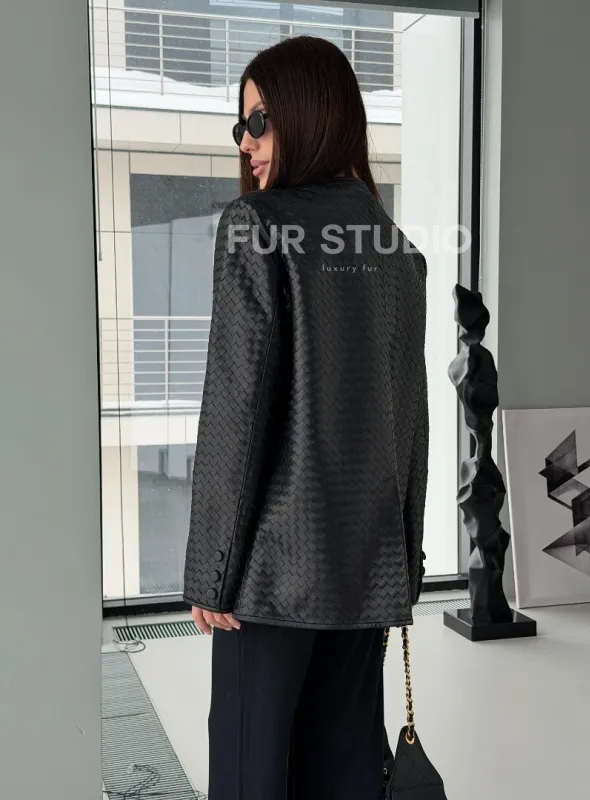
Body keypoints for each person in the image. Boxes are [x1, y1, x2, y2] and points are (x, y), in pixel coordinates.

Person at [183, 34, 428, 800]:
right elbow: (409, 424)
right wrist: (406, 565)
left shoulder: (257, 227)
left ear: (309, 112)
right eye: (241, 125)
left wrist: (211, 573)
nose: (245, 142)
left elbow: (236, 416)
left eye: (258, 120)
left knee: (250, 775)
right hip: (368, 571)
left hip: (271, 580)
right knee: (346, 774)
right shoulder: (396, 249)